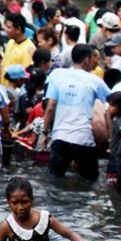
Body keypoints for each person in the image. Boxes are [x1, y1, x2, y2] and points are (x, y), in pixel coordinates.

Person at [40, 44, 111, 180]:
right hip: (83, 139)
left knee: (55, 180)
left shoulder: (57, 74)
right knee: (91, 181)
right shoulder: (96, 81)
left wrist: (44, 133)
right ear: (86, 60)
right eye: (92, 58)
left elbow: (50, 107)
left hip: (60, 138)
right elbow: (111, 104)